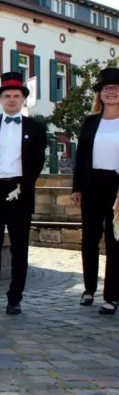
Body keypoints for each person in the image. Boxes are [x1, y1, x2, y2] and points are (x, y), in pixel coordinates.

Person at [0, 72, 47, 315]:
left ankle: (15, 298)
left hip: (21, 190)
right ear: (0, 99)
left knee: (20, 247)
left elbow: (37, 162)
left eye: (17, 95)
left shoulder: (36, 128)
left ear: (23, 99)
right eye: (7, 95)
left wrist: (22, 185)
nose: (12, 100)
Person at [71, 67, 119, 315]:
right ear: (99, 94)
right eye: (106, 89)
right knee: (89, 238)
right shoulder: (90, 122)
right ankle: (89, 288)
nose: (110, 92)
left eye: (115, 88)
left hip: (118, 186)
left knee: (115, 241)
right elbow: (81, 158)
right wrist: (77, 187)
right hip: (92, 184)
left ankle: (111, 295)